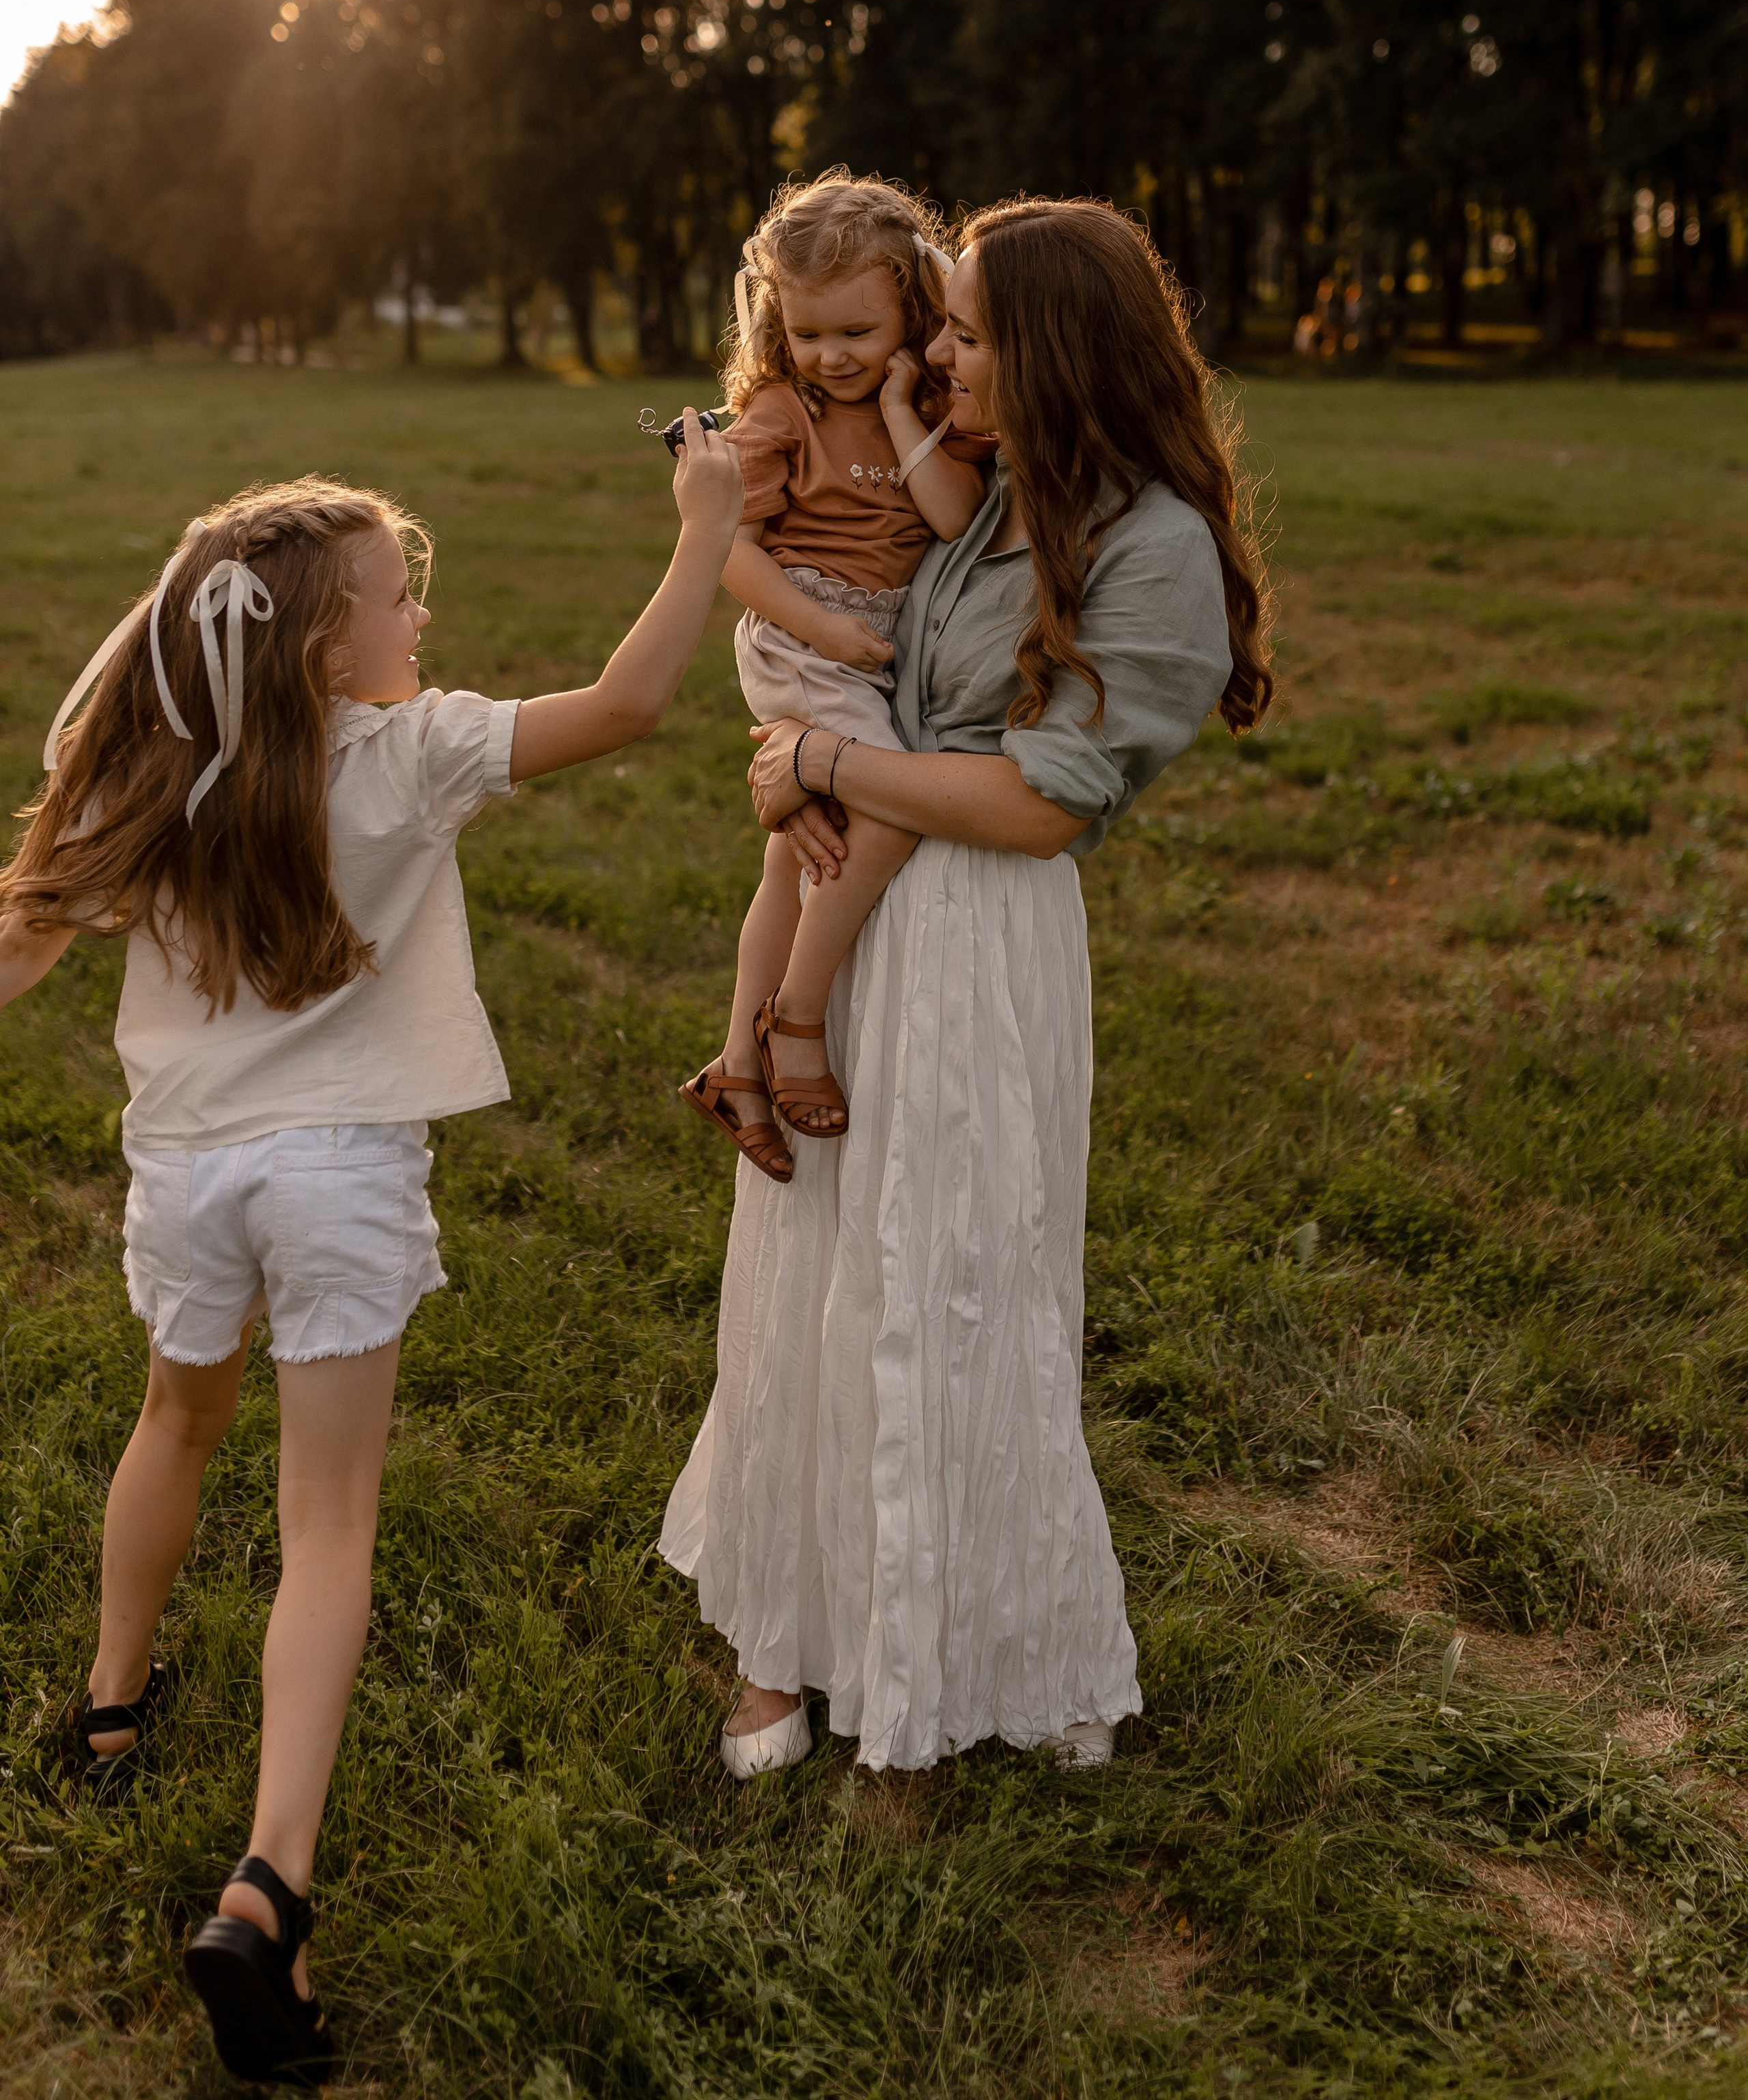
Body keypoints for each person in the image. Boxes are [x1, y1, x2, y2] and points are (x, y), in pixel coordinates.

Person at [0, 427, 741, 2086]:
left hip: (187, 1172)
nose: (422, 623)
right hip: (337, 1179)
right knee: (326, 1523)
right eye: (403, 600)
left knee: (174, 1419)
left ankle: (112, 1709)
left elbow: (21, 937)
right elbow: (624, 703)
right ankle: (269, 1886)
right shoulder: (412, 753)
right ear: (332, 643)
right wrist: (700, 529)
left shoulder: (154, 762)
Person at [660, 201, 1272, 1780]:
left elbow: (1041, 800)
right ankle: (781, 1637)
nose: (933, 356)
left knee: (958, 1299)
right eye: (937, 325)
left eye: (967, 333)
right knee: (813, 1286)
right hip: (859, 918)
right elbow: (843, 680)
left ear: (1055, 351)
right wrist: (794, 769)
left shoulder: (1151, 546)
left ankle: (964, 1640)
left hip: (984, 942)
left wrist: (817, 760)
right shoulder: (984, 489)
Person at [679, 173, 990, 1182]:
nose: (833, 356)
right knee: (891, 810)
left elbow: (951, 516)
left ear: (914, 304)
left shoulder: (934, 398)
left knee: (793, 858)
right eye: (810, 334)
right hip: (802, 637)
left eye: (858, 331)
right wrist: (826, 628)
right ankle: (798, 1020)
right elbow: (725, 545)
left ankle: (734, 1063)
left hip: (867, 640)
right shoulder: (783, 409)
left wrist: (905, 409)